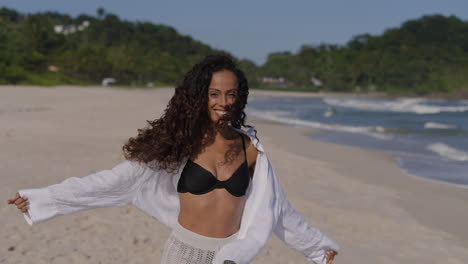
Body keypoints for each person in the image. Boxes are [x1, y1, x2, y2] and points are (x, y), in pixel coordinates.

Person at [8, 54, 339, 264]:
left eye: (231, 93)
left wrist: (316, 247)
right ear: (199, 96)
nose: (223, 101)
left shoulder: (251, 148)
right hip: (185, 254)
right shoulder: (178, 145)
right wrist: (42, 198)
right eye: (214, 93)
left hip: (231, 257)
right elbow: (110, 182)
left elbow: (276, 208)